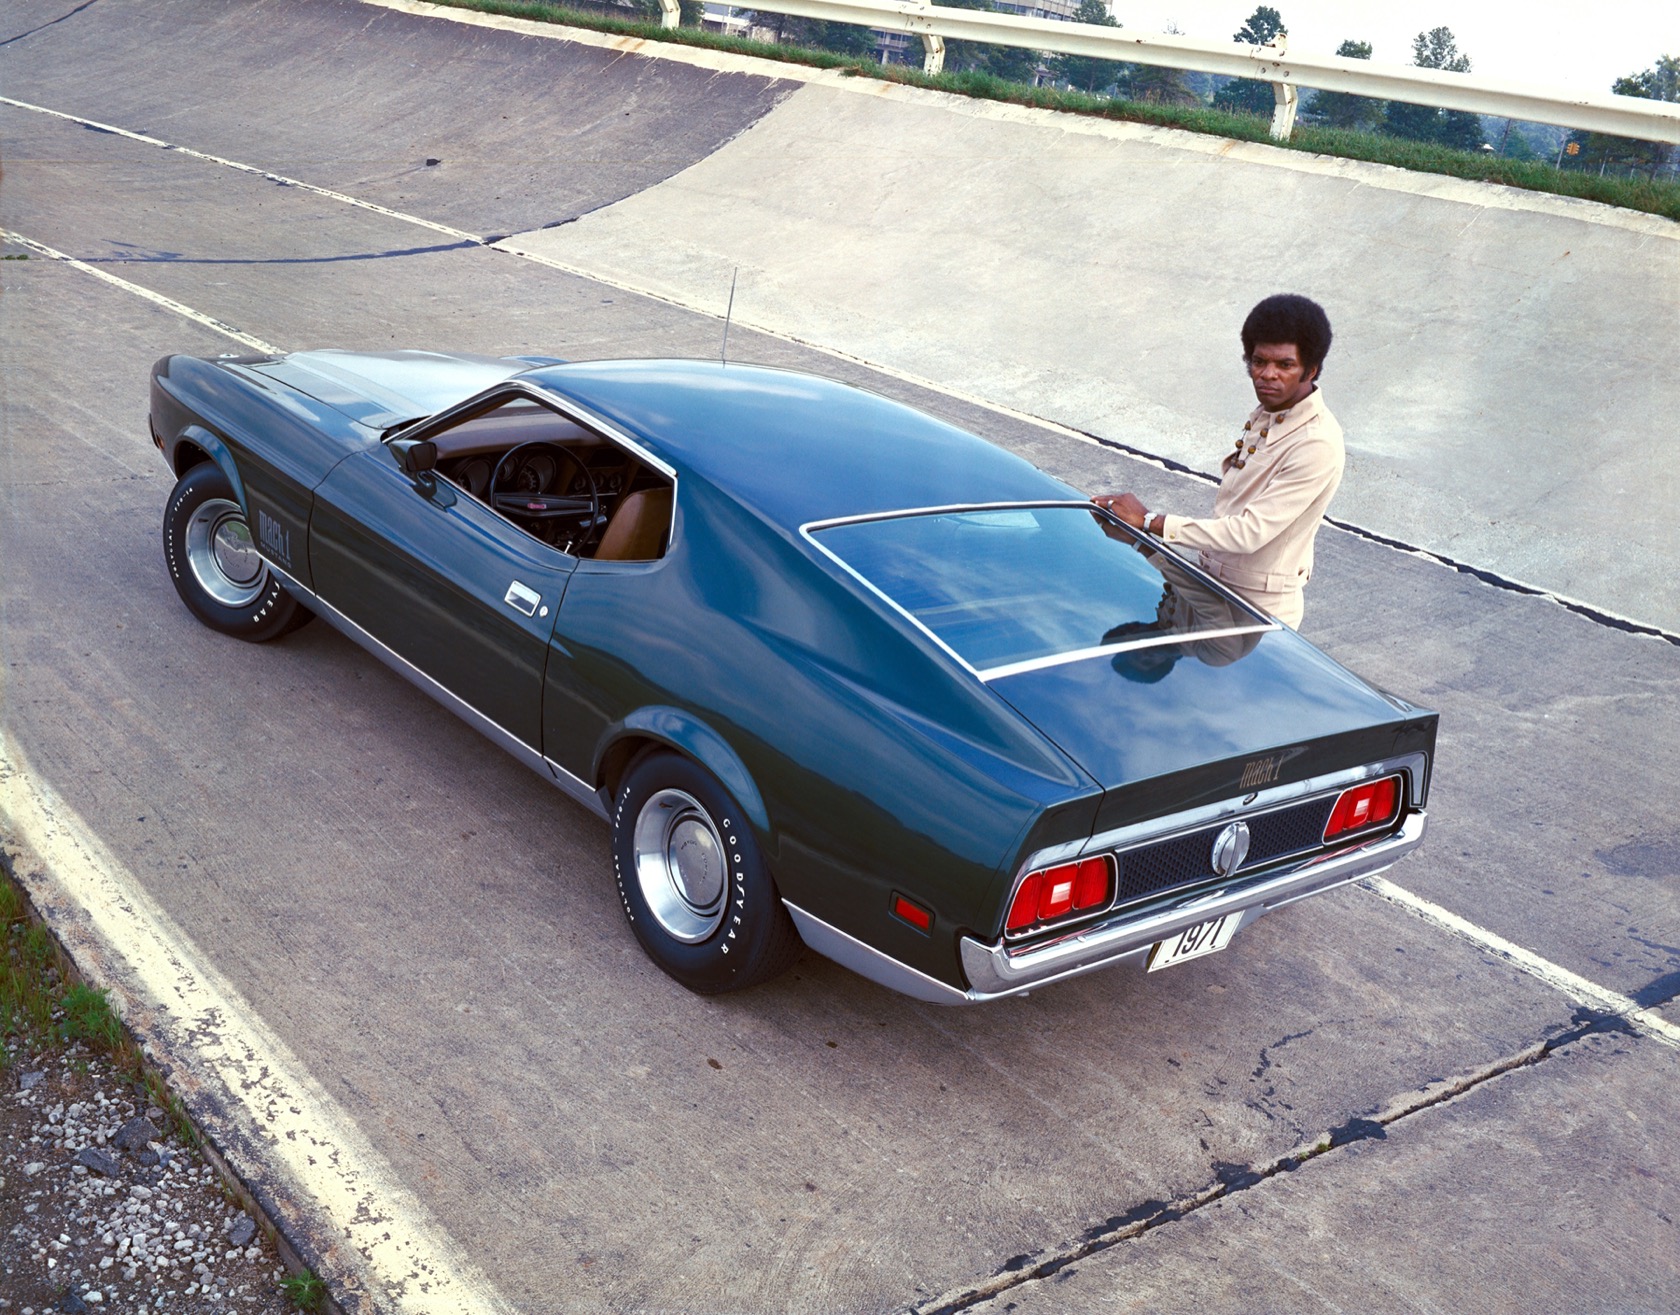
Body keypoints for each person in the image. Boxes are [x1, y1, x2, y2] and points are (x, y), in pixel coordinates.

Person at [1093, 294, 1343, 630]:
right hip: (1211, 589)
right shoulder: (1270, 413)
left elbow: (1249, 533)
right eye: (1258, 362)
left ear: (1310, 370)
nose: (1267, 375)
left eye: (1285, 365)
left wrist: (1150, 522)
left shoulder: (1316, 442)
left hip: (1257, 612)